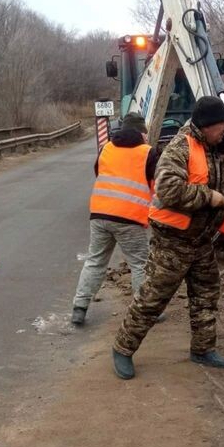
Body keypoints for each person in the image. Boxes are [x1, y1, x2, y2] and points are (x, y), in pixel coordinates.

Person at [111, 95, 224, 379]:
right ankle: (123, 348)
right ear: (204, 126)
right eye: (220, 125)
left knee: (206, 294)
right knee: (153, 298)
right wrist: (207, 196)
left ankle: (202, 349)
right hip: (172, 241)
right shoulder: (180, 149)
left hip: (201, 240)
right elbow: (167, 189)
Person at [71, 112, 157, 325]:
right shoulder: (148, 153)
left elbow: (100, 174)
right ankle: (143, 312)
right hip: (130, 218)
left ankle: (79, 308)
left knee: (95, 261)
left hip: (99, 214)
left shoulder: (106, 148)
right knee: (139, 264)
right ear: (141, 132)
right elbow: (156, 187)